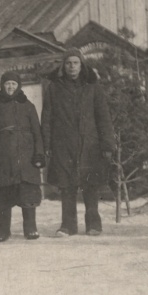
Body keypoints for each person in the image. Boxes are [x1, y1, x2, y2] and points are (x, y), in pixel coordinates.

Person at [41, 48, 115, 237]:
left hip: (89, 145)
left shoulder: (93, 87)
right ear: (63, 66)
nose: (72, 67)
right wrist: (47, 145)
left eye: (75, 63)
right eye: (68, 63)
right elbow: (47, 118)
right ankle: (68, 226)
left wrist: (107, 144)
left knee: (90, 186)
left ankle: (93, 225)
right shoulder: (54, 88)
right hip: (63, 144)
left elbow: (103, 117)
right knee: (67, 187)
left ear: (81, 66)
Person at [0, 71, 45, 241]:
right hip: (2, 156)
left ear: (18, 86)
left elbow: (37, 133)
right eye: (7, 83)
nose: (10, 87)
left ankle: (30, 228)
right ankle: (3, 230)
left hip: (26, 156)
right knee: (3, 193)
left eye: (14, 84)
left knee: (27, 191)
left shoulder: (28, 106)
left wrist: (39, 153)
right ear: (2, 85)